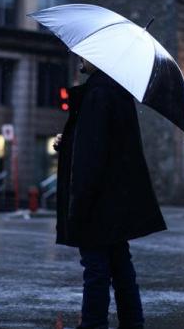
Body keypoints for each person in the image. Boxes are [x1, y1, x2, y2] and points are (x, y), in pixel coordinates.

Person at [54, 56, 167, 329]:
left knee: (96, 268)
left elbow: (92, 154)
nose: (80, 58)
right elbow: (108, 145)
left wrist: (79, 203)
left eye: (86, 54)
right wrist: (68, 142)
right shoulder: (116, 91)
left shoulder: (98, 93)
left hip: (98, 200)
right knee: (119, 266)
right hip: (115, 198)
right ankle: (132, 323)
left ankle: (93, 324)